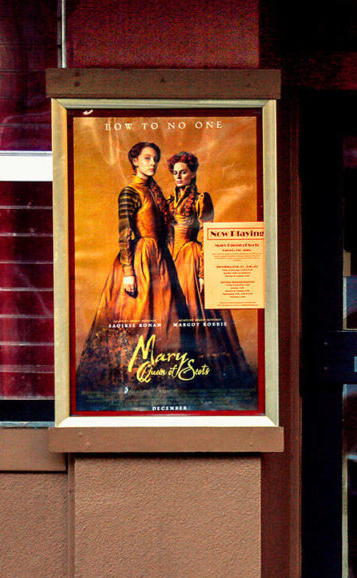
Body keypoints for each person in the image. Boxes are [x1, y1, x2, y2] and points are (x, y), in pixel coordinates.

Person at [75, 141, 188, 408]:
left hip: (160, 259)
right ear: (135, 161)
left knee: (165, 318)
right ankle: (130, 381)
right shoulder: (130, 191)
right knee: (136, 319)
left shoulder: (156, 192)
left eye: (155, 159)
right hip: (138, 260)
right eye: (147, 158)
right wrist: (128, 271)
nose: (153, 163)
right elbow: (125, 231)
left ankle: (157, 380)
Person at [167, 150, 253, 388]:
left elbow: (207, 234)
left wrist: (204, 272)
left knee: (196, 311)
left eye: (183, 172)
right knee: (175, 312)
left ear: (193, 173)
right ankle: (181, 369)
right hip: (173, 259)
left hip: (192, 257)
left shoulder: (201, 198)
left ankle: (204, 372)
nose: (178, 176)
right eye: (175, 173)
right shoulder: (169, 200)